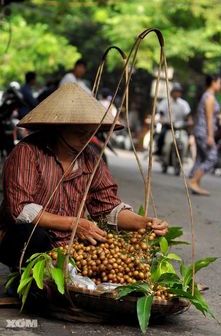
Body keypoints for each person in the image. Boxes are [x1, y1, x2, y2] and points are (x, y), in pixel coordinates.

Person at [0, 83, 168, 268]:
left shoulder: (91, 160)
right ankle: (26, 278)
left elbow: (108, 208)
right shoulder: (28, 152)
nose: (87, 138)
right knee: (31, 234)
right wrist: (74, 223)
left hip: (66, 245)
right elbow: (20, 210)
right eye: (80, 132)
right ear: (59, 128)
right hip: (22, 239)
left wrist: (143, 222)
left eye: (91, 132)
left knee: (116, 253)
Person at [188, 74, 221, 195]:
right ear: (213, 82)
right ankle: (193, 180)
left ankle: (196, 184)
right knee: (212, 157)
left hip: (200, 130)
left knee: (201, 158)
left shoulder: (206, 96)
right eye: (219, 82)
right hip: (204, 132)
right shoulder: (209, 97)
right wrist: (210, 136)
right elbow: (209, 117)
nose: (220, 85)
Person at [156, 82, 192, 155]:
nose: (176, 93)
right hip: (168, 126)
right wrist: (161, 120)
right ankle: (159, 152)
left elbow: (188, 116)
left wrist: (190, 121)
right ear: (172, 92)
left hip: (180, 127)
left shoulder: (184, 104)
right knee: (161, 135)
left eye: (178, 92)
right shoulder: (165, 102)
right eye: (175, 91)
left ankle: (186, 154)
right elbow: (161, 114)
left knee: (188, 138)